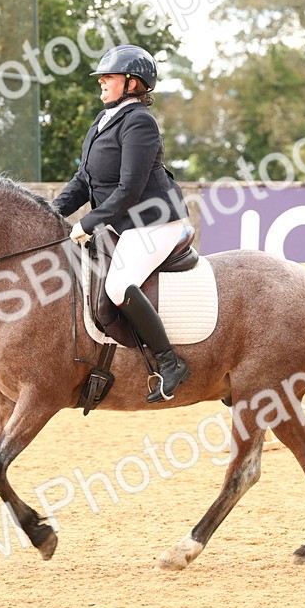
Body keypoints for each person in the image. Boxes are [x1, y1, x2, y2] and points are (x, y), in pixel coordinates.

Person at [53, 44, 193, 403]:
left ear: (133, 83)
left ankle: (170, 362)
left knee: (118, 286)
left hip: (154, 222)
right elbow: (83, 180)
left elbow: (130, 188)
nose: (101, 81)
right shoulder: (102, 122)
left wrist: (91, 220)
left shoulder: (139, 122)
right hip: (124, 224)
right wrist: (52, 212)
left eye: (109, 77)